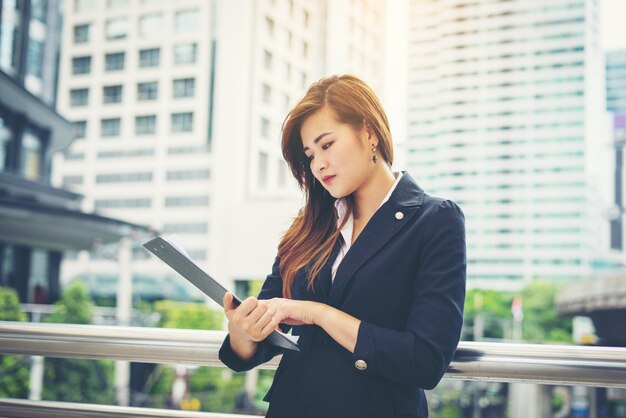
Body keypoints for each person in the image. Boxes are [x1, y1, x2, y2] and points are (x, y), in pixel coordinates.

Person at [219, 74, 466, 418]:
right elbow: (260, 339)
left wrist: (317, 313)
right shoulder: (311, 225)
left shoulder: (434, 220)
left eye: (327, 144)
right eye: (309, 154)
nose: (318, 164)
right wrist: (242, 330)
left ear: (368, 132)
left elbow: (425, 360)